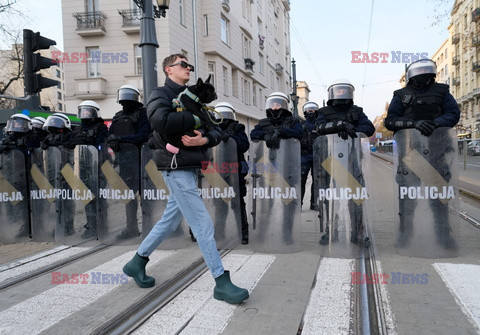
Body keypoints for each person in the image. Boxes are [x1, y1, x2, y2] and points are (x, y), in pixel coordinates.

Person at [122, 53, 249, 304]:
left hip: (190, 165)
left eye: (190, 65)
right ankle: (220, 282)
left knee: (168, 222)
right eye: (183, 65)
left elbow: (215, 130)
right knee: (202, 223)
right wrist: (196, 118)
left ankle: (137, 262)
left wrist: (205, 138)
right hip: (174, 166)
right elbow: (161, 121)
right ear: (169, 69)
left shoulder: (194, 97)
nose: (188, 68)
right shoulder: (160, 94)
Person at [384, 58, 460, 249]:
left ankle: (444, 236)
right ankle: (405, 235)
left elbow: (453, 114)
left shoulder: (442, 91)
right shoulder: (401, 95)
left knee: (438, 198)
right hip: (411, 154)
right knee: (407, 199)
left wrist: (435, 123)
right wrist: (414, 124)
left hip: (436, 151)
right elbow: (390, 121)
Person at [316, 79, 374, 245]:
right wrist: (339, 125)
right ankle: (331, 230)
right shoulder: (324, 111)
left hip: (352, 159)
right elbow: (319, 128)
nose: (341, 94)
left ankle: (358, 232)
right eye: (338, 91)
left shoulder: (357, 111)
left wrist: (353, 130)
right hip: (330, 159)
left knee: (355, 198)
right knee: (330, 198)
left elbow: (369, 128)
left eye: (344, 91)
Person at [250, 92, 303, 244]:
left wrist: (283, 132)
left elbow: (300, 133)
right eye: (272, 104)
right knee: (267, 202)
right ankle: (262, 233)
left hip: (288, 167)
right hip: (268, 169)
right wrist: (268, 134)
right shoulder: (263, 122)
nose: (275, 107)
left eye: (278, 104)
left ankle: (287, 234)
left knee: (288, 203)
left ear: (284, 106)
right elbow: (254, 134)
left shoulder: (293, 121)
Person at [106, 85, 151, 239]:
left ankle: (148, 227)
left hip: (141, 162)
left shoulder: (142, 114)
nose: (125, 104)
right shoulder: (118, 116)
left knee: (146, 197)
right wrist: (112, 141)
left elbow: (144, 136)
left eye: (127, 101)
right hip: (124, 162)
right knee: (128, 197)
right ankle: (131, 228)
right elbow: (110, 134)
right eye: (122, 101)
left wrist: (121, 139)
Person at [66, 100, 109, 239]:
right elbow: (68, 143)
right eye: (83, 111)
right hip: (82, 168)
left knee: (99, 198)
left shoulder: (101, 128)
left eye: (88, 111)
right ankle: (91, 225)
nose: (85, 114)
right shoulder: (77, 129)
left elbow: (102, 144)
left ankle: (101, 225)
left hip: (98, 168)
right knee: (86, 198)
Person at [214, 102, 250, 244]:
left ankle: (243, 233)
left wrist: (230, 138)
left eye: (225, 115)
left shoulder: (238, 128)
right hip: (218, 170)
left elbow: (243, 145)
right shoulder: (212, 128)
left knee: (238, 203)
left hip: (235, 170)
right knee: (220, 205)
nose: (222, 118)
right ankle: (220, 233)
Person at [41, 113, 75, 236]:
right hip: (53, 172)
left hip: (67, 172)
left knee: (67, 201)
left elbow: (71, 144)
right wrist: (45, 144)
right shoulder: (49, 136)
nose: (54, 127)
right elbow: (44, 147)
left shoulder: (69, 135)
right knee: (57, 201)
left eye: (57, 123)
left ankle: (69, 227)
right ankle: (59, 225)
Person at [300, 101, 320, 210]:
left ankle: (314, 203)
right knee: (301, 180)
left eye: (313, 109)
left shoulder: (320, 124)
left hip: (318, 155)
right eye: (308, 109)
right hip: (304, 155)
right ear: (304, 111)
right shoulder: (300, 124)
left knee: (317, 180)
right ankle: (298, 203)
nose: (310, 111)